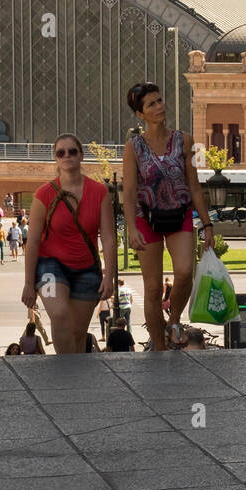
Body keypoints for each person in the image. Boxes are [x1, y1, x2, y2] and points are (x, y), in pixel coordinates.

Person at [122, 81, 215, 350]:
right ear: (140, 114)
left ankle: (173, 320)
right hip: (146, 218)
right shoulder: (133, 147)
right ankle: (159, 350)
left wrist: (207, 223)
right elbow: (128, 193)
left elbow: (195, 186)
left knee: (185, 271)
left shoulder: (185, 141)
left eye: (160, 100)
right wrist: (131, 228)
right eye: (152, 104)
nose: (160, 106)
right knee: (152, 288)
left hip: (179, 214)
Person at [22, 134, 117, 354]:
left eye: (72, 151)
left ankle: (74, 379)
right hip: (50, 265)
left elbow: (109, 237)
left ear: (81, 155)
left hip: (86, 268)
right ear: (55, 158)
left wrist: (109, 276)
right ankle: (64, 373)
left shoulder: (100, 193)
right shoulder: (44, 194)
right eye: (60, 152)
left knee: (77, 333)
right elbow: (33, 241)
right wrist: (29, 283)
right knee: (60, 314)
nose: (66, 156)